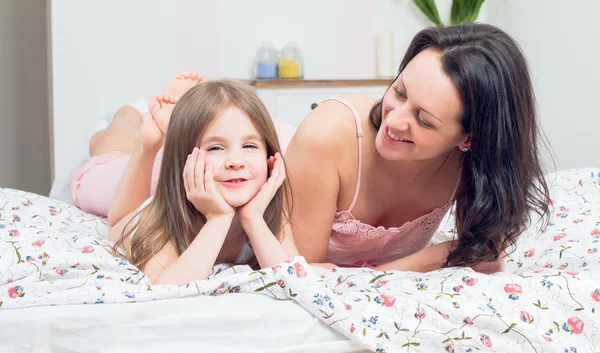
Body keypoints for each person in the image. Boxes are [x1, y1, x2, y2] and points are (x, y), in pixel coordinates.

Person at [283, 23, 551, 273]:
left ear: (468, 139)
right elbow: (302, 275)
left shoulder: (471, 165)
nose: (394, 121)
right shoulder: (326, 136)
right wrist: (442, 253)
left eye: (424, 120)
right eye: (399, 92)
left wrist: (439, 255)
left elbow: (487, 257)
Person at [101, 79, 296, 284]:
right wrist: (218, 218)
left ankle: (179, 127)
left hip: (186, 153)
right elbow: (165, 289)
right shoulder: (168, 217)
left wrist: (253, 219)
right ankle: (142, 136)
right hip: (126, 217)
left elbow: (295, 280)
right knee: (113, 137)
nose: (236, 162)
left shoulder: (268, 206)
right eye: (215, 148)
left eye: (249, 145)